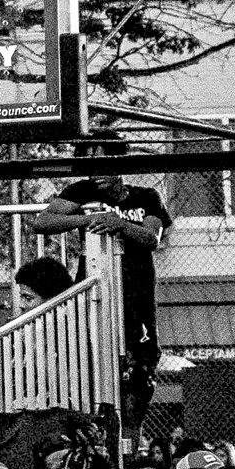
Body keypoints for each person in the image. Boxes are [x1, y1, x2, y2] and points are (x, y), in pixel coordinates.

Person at [26, 156, 173, 409]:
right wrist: (87, 219)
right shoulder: (81, 191)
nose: (98, 175)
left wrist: (120, 224)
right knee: (91, 365)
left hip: (136, 292)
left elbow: (152, 237)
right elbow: (42, 222)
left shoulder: (146, 196)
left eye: (104, 166)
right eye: (92, 168)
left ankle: (129, 441)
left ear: (119, 166)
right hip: (95, 290)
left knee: (138, 379)